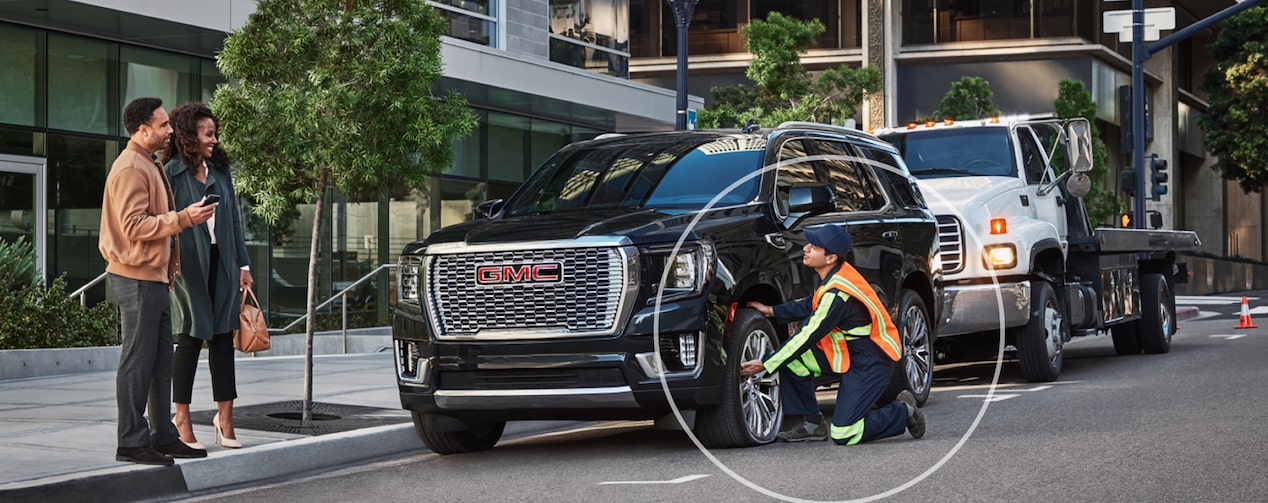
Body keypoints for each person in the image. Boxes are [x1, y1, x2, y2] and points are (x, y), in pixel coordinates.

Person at [100, 97, 216, 465]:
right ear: (142, 129)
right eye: (163, 125)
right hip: (135, 279)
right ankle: (132, 442)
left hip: (152, 278)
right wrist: (184, 218)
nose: (170, 131)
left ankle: (162, 435)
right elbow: (133, 226)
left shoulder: (147, 163)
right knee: (137, 362)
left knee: (160, 361)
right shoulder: (131, 168)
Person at [740, 225, 926, 445]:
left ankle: (902, 411)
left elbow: (806, 335)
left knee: (844, 433)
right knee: (791, 361)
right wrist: (772, 311)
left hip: (872, 361)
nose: (806, 248)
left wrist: (766, 363)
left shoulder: (837, 295)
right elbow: (812, 302)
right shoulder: (835, 275)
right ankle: (812, 425)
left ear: (830, 258)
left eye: (815, 246)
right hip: (851, 353)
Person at [162, 102, 254, 450]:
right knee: (188, 339)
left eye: (215, 133)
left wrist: (243, 265)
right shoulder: (170, 173)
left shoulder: (219, 172)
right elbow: (166, 223)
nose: (214, 139)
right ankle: (181, 418)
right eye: (208, 133)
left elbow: (234, 222)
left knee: (222, 340)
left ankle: (224, 418)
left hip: (224, 263)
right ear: (189, 136)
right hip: (188, 268)